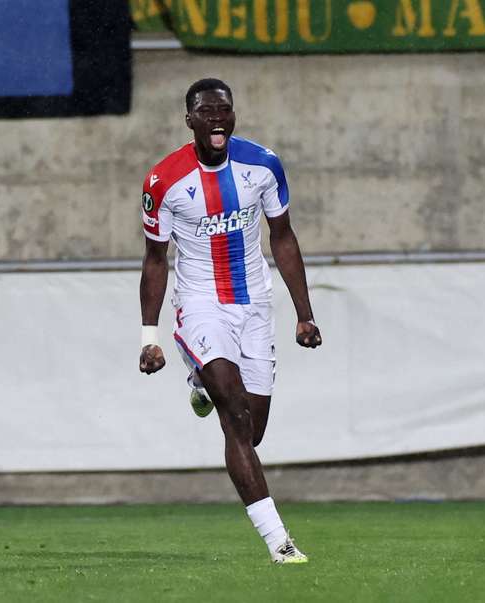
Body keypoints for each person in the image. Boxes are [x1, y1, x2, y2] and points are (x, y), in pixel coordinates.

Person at [138, 78, 322, 564]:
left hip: (255, 304)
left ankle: (200, 379)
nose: (217, 118)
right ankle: (278, 541)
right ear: (189, 120)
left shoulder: (262, 165)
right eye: (207, 111)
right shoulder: (163, 181)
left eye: (225, 110)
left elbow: (282, 236)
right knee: (233, 414)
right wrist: (148, 336)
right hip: (200, 303)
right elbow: (156, 260)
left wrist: (304, 314)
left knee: (251, 429)